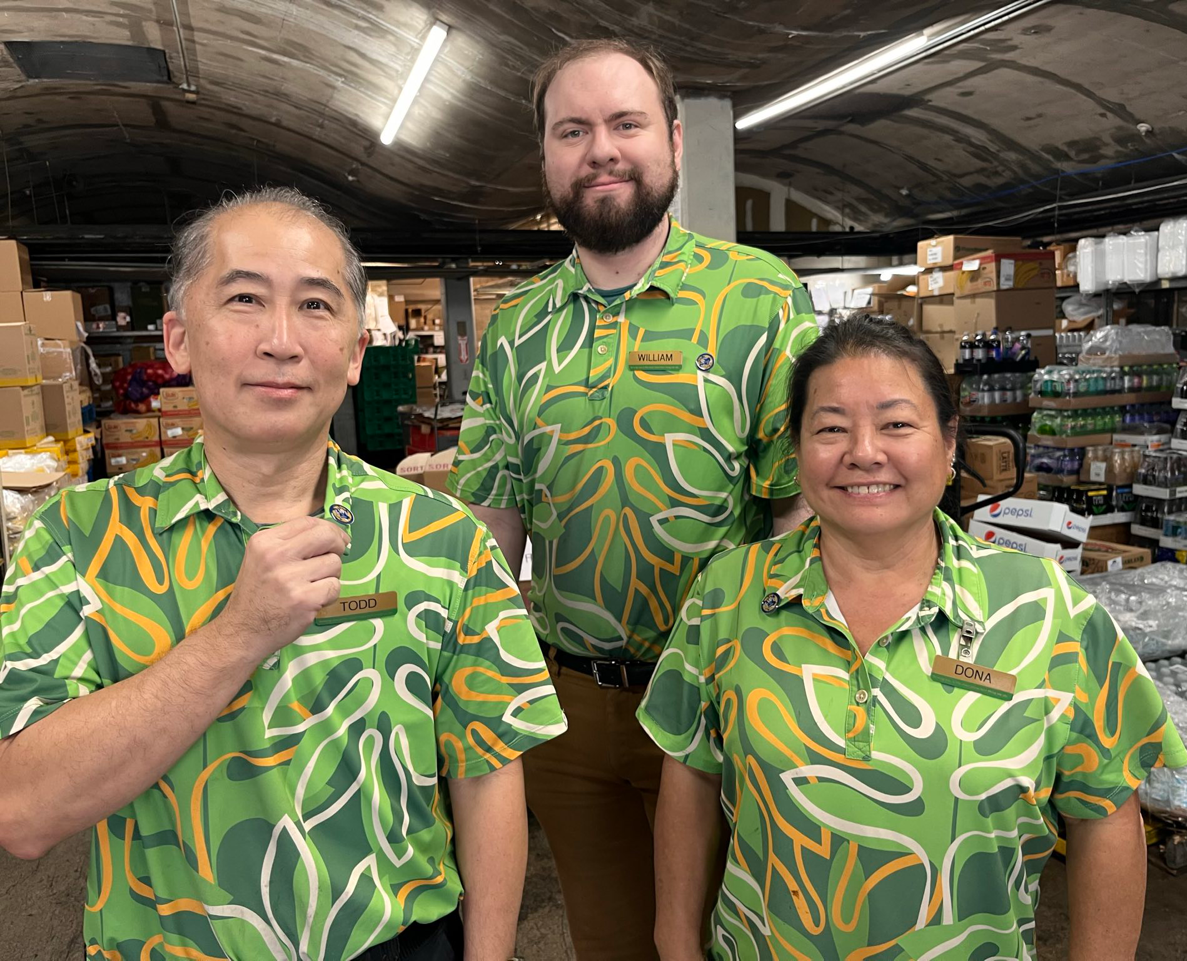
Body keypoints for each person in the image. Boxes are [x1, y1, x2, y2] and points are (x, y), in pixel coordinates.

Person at [0, 187, 566, 961]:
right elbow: (23, 811)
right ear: (178, 339)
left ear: (355, 352)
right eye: (244, 299)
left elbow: (486, 771)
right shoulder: (79, 537)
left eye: (315, 306)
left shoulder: (442, 538)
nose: (280, 340)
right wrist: (236, 635)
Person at [639, 314, 1186, 960]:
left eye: (896, 424)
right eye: (830, 428)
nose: (863, 452)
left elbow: (1104, 811)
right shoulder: (728, 594)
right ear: (795, 450)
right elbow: (692, 774)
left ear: (949, 443)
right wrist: (675, 939)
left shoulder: (1046, 610)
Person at [447, 38, 818, 960]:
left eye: (625, 124)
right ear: (545, 156)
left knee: (726, 940)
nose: (600, 150)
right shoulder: (515, 328)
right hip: (566, 709)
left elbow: (798, 512)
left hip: (721, 702)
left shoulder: (758, 298)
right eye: (572, 131)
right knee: (608, 941)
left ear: (675, 141)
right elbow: (491, 524)